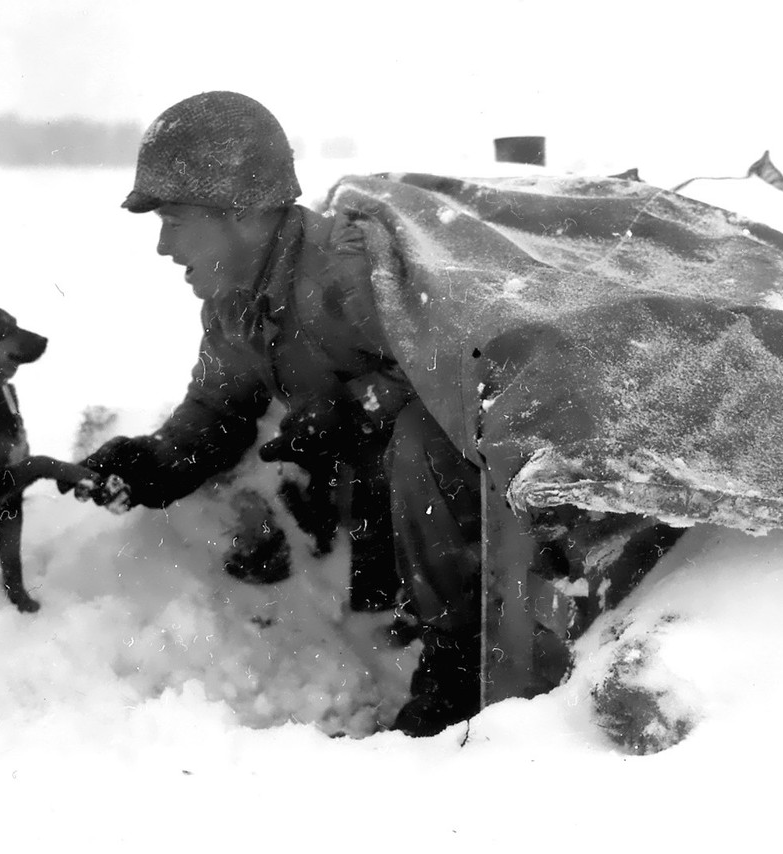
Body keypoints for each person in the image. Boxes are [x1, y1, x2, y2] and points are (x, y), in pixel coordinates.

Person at [82, 91, 484, 737]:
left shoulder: (353, 269)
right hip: (378, 504)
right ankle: (397, 627)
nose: (162, 247)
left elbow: (453, 376)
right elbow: (220, 407)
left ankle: (465, 666)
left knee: (420, 443)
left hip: (456, 484)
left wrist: (349, 410)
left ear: (240, 214)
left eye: (176, 221)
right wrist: (156, 461)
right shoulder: (232, 304)